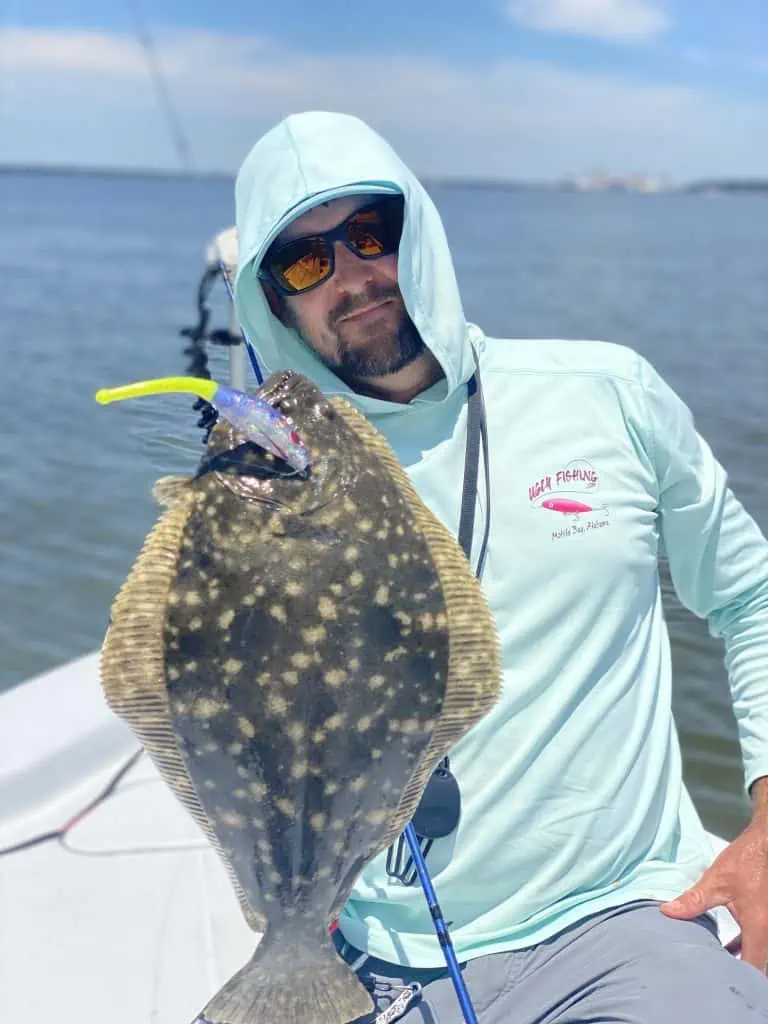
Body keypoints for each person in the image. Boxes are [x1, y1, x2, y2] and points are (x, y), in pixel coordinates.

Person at [231, 111, 768, 1023]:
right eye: (303, 261)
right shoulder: (270, 481)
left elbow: (750, 592)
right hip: (364, 943)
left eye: (371, 233)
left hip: (625, 917)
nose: (353, 276)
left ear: (421, 234)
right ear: (274, 302)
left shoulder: (606, 394)